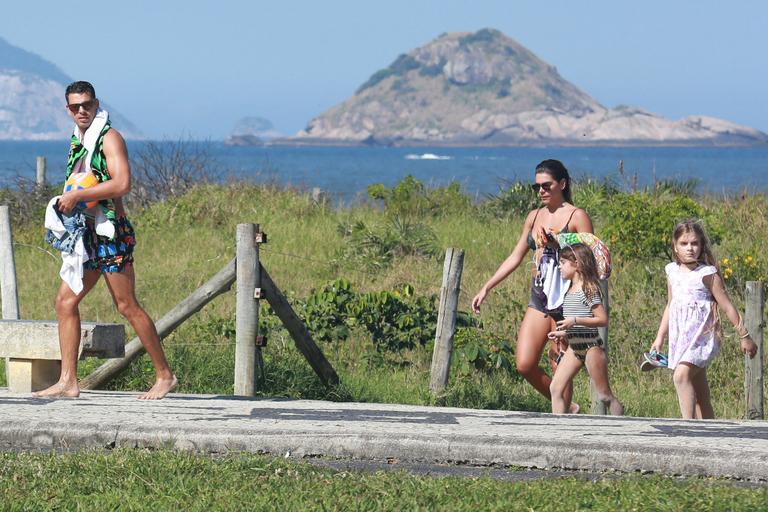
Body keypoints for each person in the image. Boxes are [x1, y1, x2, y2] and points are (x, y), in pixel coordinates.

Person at [33, 81, 177, 400]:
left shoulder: (110, 138)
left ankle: (164, 375)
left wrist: (81, 195)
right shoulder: (78, 140)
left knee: (126, 305)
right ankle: (68, 381)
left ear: (97, 104)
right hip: (86, 235)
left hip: (111, 233)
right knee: (65, 302)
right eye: (75, 107)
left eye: (87, 104)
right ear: (68, 110)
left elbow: (122, 184)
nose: (82, 111)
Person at [471, 159, 593, 412]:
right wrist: (487, 287)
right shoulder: (534, 216)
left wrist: (558, 242)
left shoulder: (576, 215)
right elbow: (515, 256)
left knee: (558, 364)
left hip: (568, 301)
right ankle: (569, 409)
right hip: (541, 297)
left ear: (562, 183)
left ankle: (562, 422)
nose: (541, 192)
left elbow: (591, 256)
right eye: (536, 187)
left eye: (546, 186)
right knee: (524, 364)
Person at [650, 219, 757, 419]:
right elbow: (670, 305)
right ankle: (711, 432)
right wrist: (659, 338)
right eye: (684, 243)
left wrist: (744, 335)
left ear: (701, 245)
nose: (690, 248)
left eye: (694, 243)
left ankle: (687, 427)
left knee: (681, 377)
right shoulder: (672, 271)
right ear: (675, 246)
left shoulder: (707, 274)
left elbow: (727, 306)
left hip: (702, 337)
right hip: (682, 337)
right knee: (701, 396)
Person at [547, 244, 623, 415]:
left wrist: (574, 321)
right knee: (556, 388)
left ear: (578, 264)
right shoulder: (569, 290)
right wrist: (563, 332)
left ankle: (621, 425)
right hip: (575, 348)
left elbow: (602, 319)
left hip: (591, 347)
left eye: (564, 262)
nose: (560, 266)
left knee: (604, 395)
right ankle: (558, 430)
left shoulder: (589, 289)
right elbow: (576, 323)